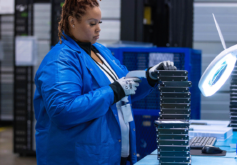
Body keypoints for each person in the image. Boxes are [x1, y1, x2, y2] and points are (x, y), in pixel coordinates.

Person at [33, 0, 176, 164]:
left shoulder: (100, 51)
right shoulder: (60, 60)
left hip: (113, 153)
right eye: (92, 23)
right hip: (80, 157)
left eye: (99, 23)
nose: (98, 28)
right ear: (72, 21)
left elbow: (125, 85)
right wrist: (113, 91)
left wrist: (150, 75)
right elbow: (63, 110)